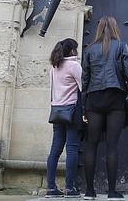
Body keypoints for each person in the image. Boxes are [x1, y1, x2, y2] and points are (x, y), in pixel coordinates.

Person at [81, 16, 128, 200]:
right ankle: (112, 192)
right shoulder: (121, 46)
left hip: (94, 98)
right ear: (114, 28)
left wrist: (83, 105)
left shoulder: (89, 50)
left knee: (91, 145)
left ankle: (89, 191)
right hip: (115, 97)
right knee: (112, 145)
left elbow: (85, 79)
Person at [45, 38, 82, 198]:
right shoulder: (74, 66)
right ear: (73, 50)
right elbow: (83, 87)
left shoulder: (54, 66)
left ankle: (51, 188)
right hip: (71, 111)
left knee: (55, 150)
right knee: (72, 148)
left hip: (57, 110)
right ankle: (69, 188)